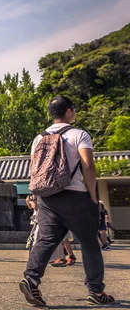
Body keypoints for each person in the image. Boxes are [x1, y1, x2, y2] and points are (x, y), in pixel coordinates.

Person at [19, 95, 115, 306]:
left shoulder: (39, 138)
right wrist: (92, 194)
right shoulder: (79, 134)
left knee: (46, 240)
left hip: (47, 197)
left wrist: (37, 196)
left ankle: (31, 279)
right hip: (75, 195)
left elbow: (35, 170)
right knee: (90, 243)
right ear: (69, 111)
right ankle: (96, 291)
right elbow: (88, 166)